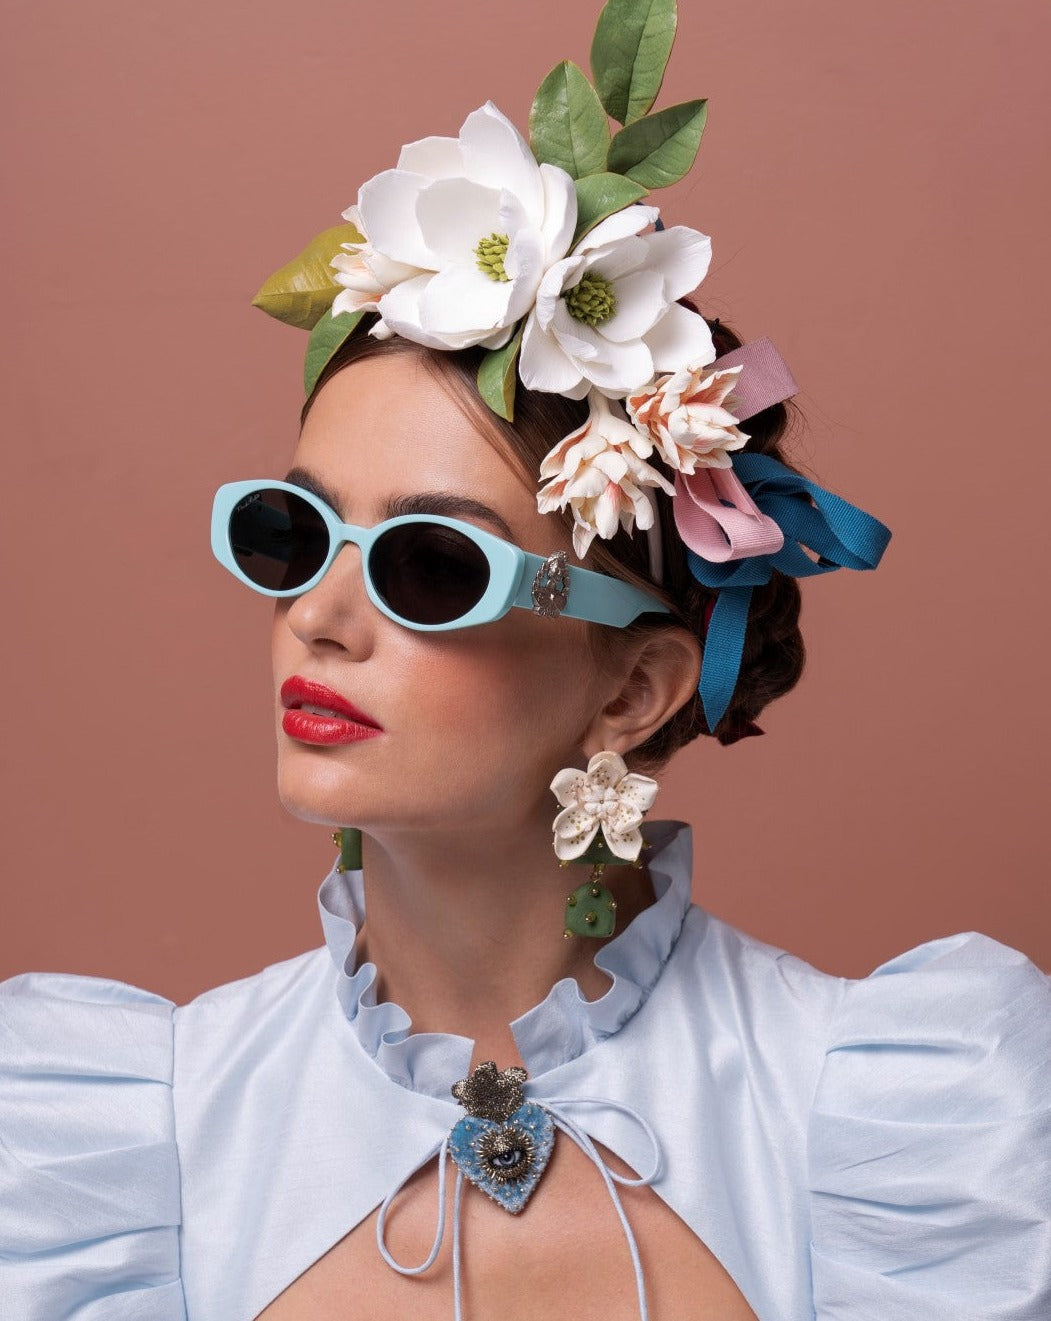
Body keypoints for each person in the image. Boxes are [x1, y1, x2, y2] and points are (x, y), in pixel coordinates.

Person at [2, 2, 1049, 1318]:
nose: (318, 616)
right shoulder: (111, 1161)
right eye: (292, 534)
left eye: (430, 565)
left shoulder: (913, 1137)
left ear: (633, 688)